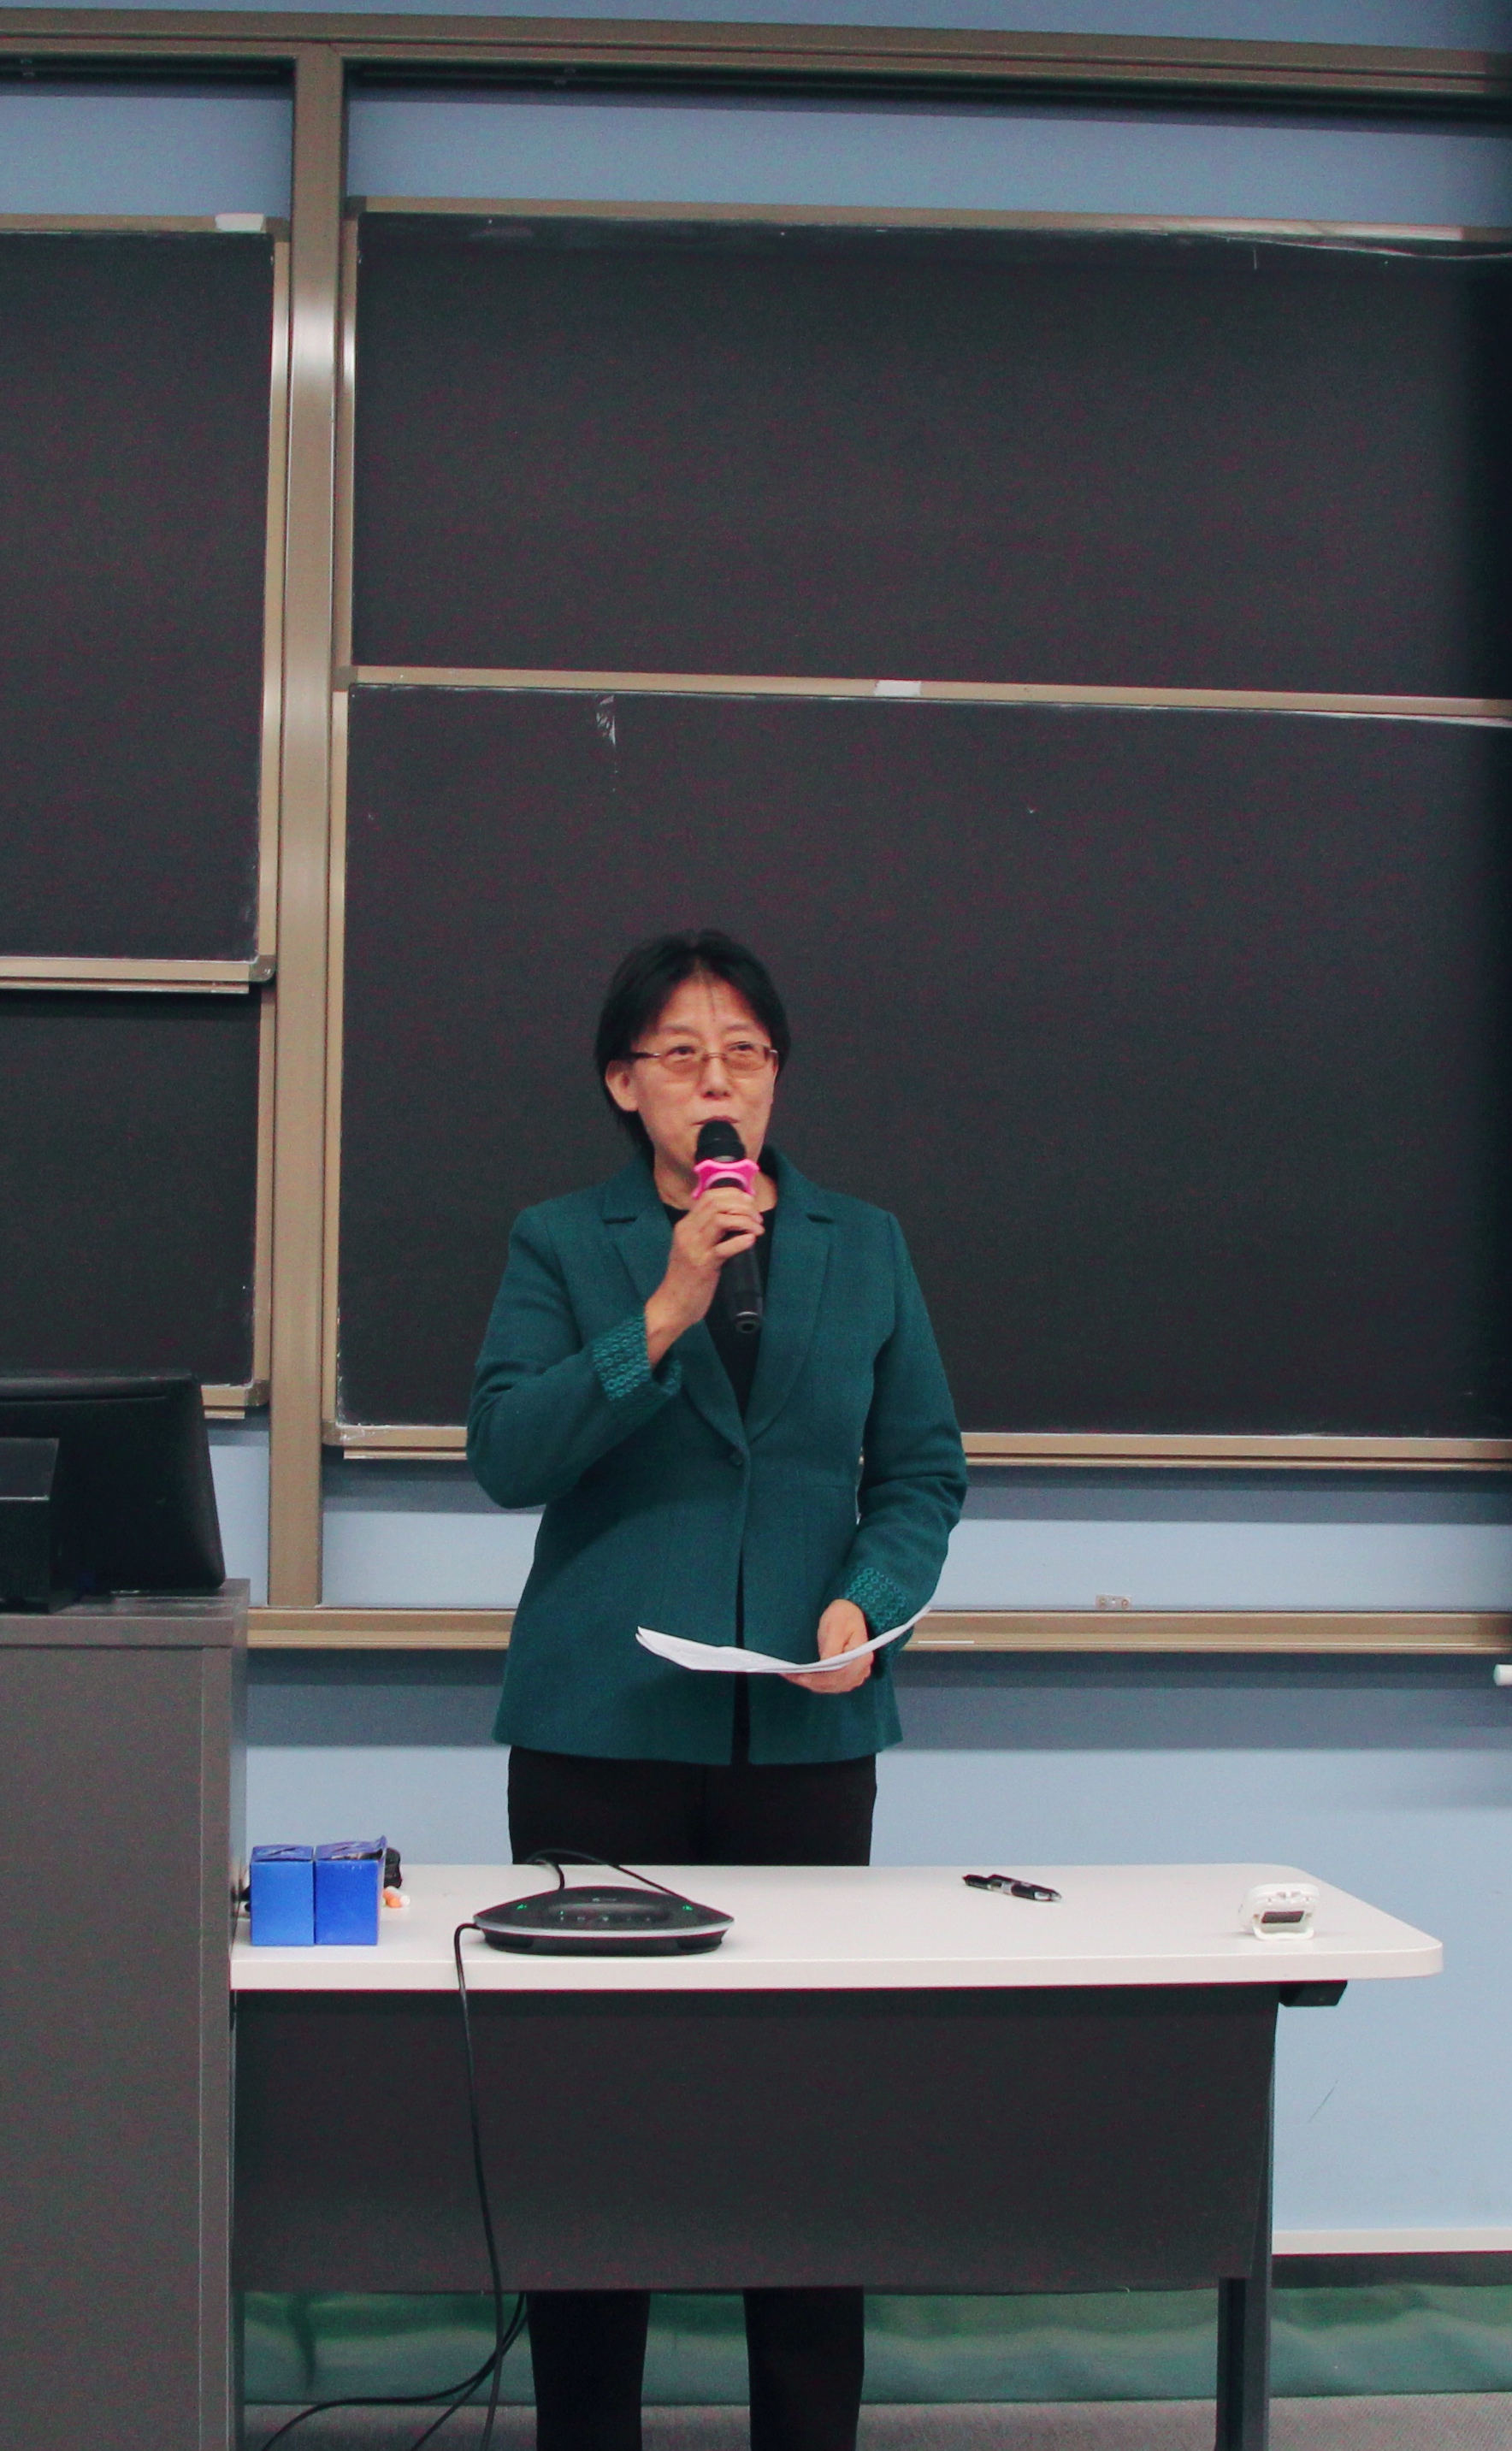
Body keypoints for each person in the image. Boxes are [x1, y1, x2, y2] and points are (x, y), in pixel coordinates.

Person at [468, 929, 968, 2451]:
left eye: (744, 1052)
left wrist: (867, 1603)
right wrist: (664, 1307)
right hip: (601, 1734)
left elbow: (921, 1471)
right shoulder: (565, 1242)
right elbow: (509, 1454)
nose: (717, 1080)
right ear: (623, 1084)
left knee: (803, 2114)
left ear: (775, 1079)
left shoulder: (864, 1243)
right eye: (681, 1054)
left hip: (802, 1733)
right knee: (596, 2115)